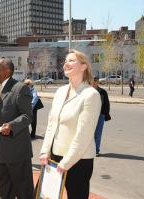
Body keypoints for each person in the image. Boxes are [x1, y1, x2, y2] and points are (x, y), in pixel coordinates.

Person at [39, 50, 101, 199]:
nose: (66, 63)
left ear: (84, 66)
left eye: (72, 60)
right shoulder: (60, 92)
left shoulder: (91, 94)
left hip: (78, 161)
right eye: (65, 61)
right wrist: (45, 151)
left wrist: (66, 162)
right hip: (55, 157)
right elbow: (51, 125)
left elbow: (83, 135)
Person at [0, 58, 34, 198]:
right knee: (4, 193)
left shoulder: (20, 88)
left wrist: (11, 125)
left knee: (24, 192)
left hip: (17, 152)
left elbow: (28, 116)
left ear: (7, 70)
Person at [92, 76, 111, 156]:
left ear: (97, 82)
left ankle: (96, 150)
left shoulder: (102, 92)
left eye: (94, 81)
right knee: (90, 133)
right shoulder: (88, 91)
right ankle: (89, 150)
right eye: (92, 81)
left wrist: (104, 114)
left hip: (100, 115)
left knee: (98, 133)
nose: (93, 83)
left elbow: (107, 104)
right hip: (90, 115)